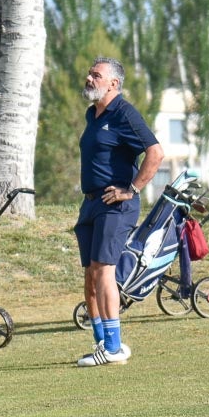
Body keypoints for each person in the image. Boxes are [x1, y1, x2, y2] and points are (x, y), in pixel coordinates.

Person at [73, 57, 163, 366]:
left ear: (113, 83)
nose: (89, 78)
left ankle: (112, 347)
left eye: (96, 75)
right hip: (91, 203)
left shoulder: (124, 113)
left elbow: (156, 152)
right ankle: (103, 343)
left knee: (103, 271)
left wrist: (132, 189)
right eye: (90, 73)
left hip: (116, 204)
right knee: (90, 276)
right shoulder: (93, 114)